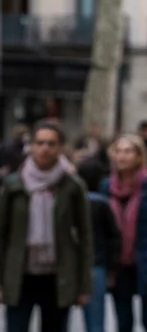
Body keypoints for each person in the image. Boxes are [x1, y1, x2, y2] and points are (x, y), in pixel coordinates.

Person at [0, 121, 93, 332]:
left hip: (58, 276)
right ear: (31, 146)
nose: (45, 149)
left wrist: (83, 285)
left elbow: (85, 236)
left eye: (51, 144)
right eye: (40, 143)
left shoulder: (72, 186)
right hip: (20, 274)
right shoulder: (14, 184)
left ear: (60, 148)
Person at [102, 134, 147, 332]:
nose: (123, 156)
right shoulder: (106, 187)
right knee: (124, 322)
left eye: (128, 152)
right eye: (118, 151)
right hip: (118, 264)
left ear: (138, 156)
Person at [77, 156, 121, 332]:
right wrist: (112, 267)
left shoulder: (77, 200)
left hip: (77, 263)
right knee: (95, 320)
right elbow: (113, 237)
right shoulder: (102, 203)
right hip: (96, 264)